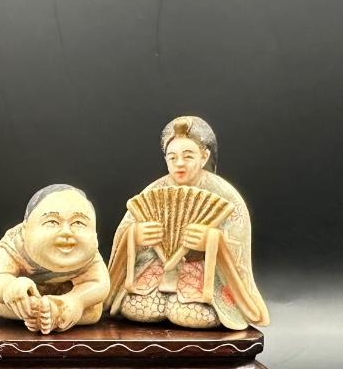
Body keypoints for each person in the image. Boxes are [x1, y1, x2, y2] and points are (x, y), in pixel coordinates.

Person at [106, 116, 269, 330]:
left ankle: (186, 304)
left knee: (189, 314)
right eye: (172, 157)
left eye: (188, 156)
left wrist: (212, 241)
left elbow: (237, 242)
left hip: (202, 271)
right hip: (159, 268)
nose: (179, 163)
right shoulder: (155, 190)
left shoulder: (226, 195)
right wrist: (135, 235)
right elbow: (126, 231)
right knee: (137, 307)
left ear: (204, 156)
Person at [0, 184, 109, 333]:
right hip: (27, 298)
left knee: (93, 310)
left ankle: (58, 311)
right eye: (52, 222)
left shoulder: (90, 254)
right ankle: (38, 314)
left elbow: (100, 283)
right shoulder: (13, 245)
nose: (66, 232)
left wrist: (77, 300)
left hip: (68, 295)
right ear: (25, 230)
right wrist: (11, 287)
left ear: (95, 234)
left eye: (78, 223)